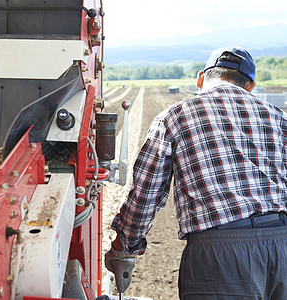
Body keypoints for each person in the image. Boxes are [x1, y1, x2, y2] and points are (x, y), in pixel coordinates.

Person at [105, 46, 287, 299]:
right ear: (250, 86)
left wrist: (124, 246)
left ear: (201, 78)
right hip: (282, 243)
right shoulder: (279, 118)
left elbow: (147, 194)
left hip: (221, 254)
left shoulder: (175, 116)